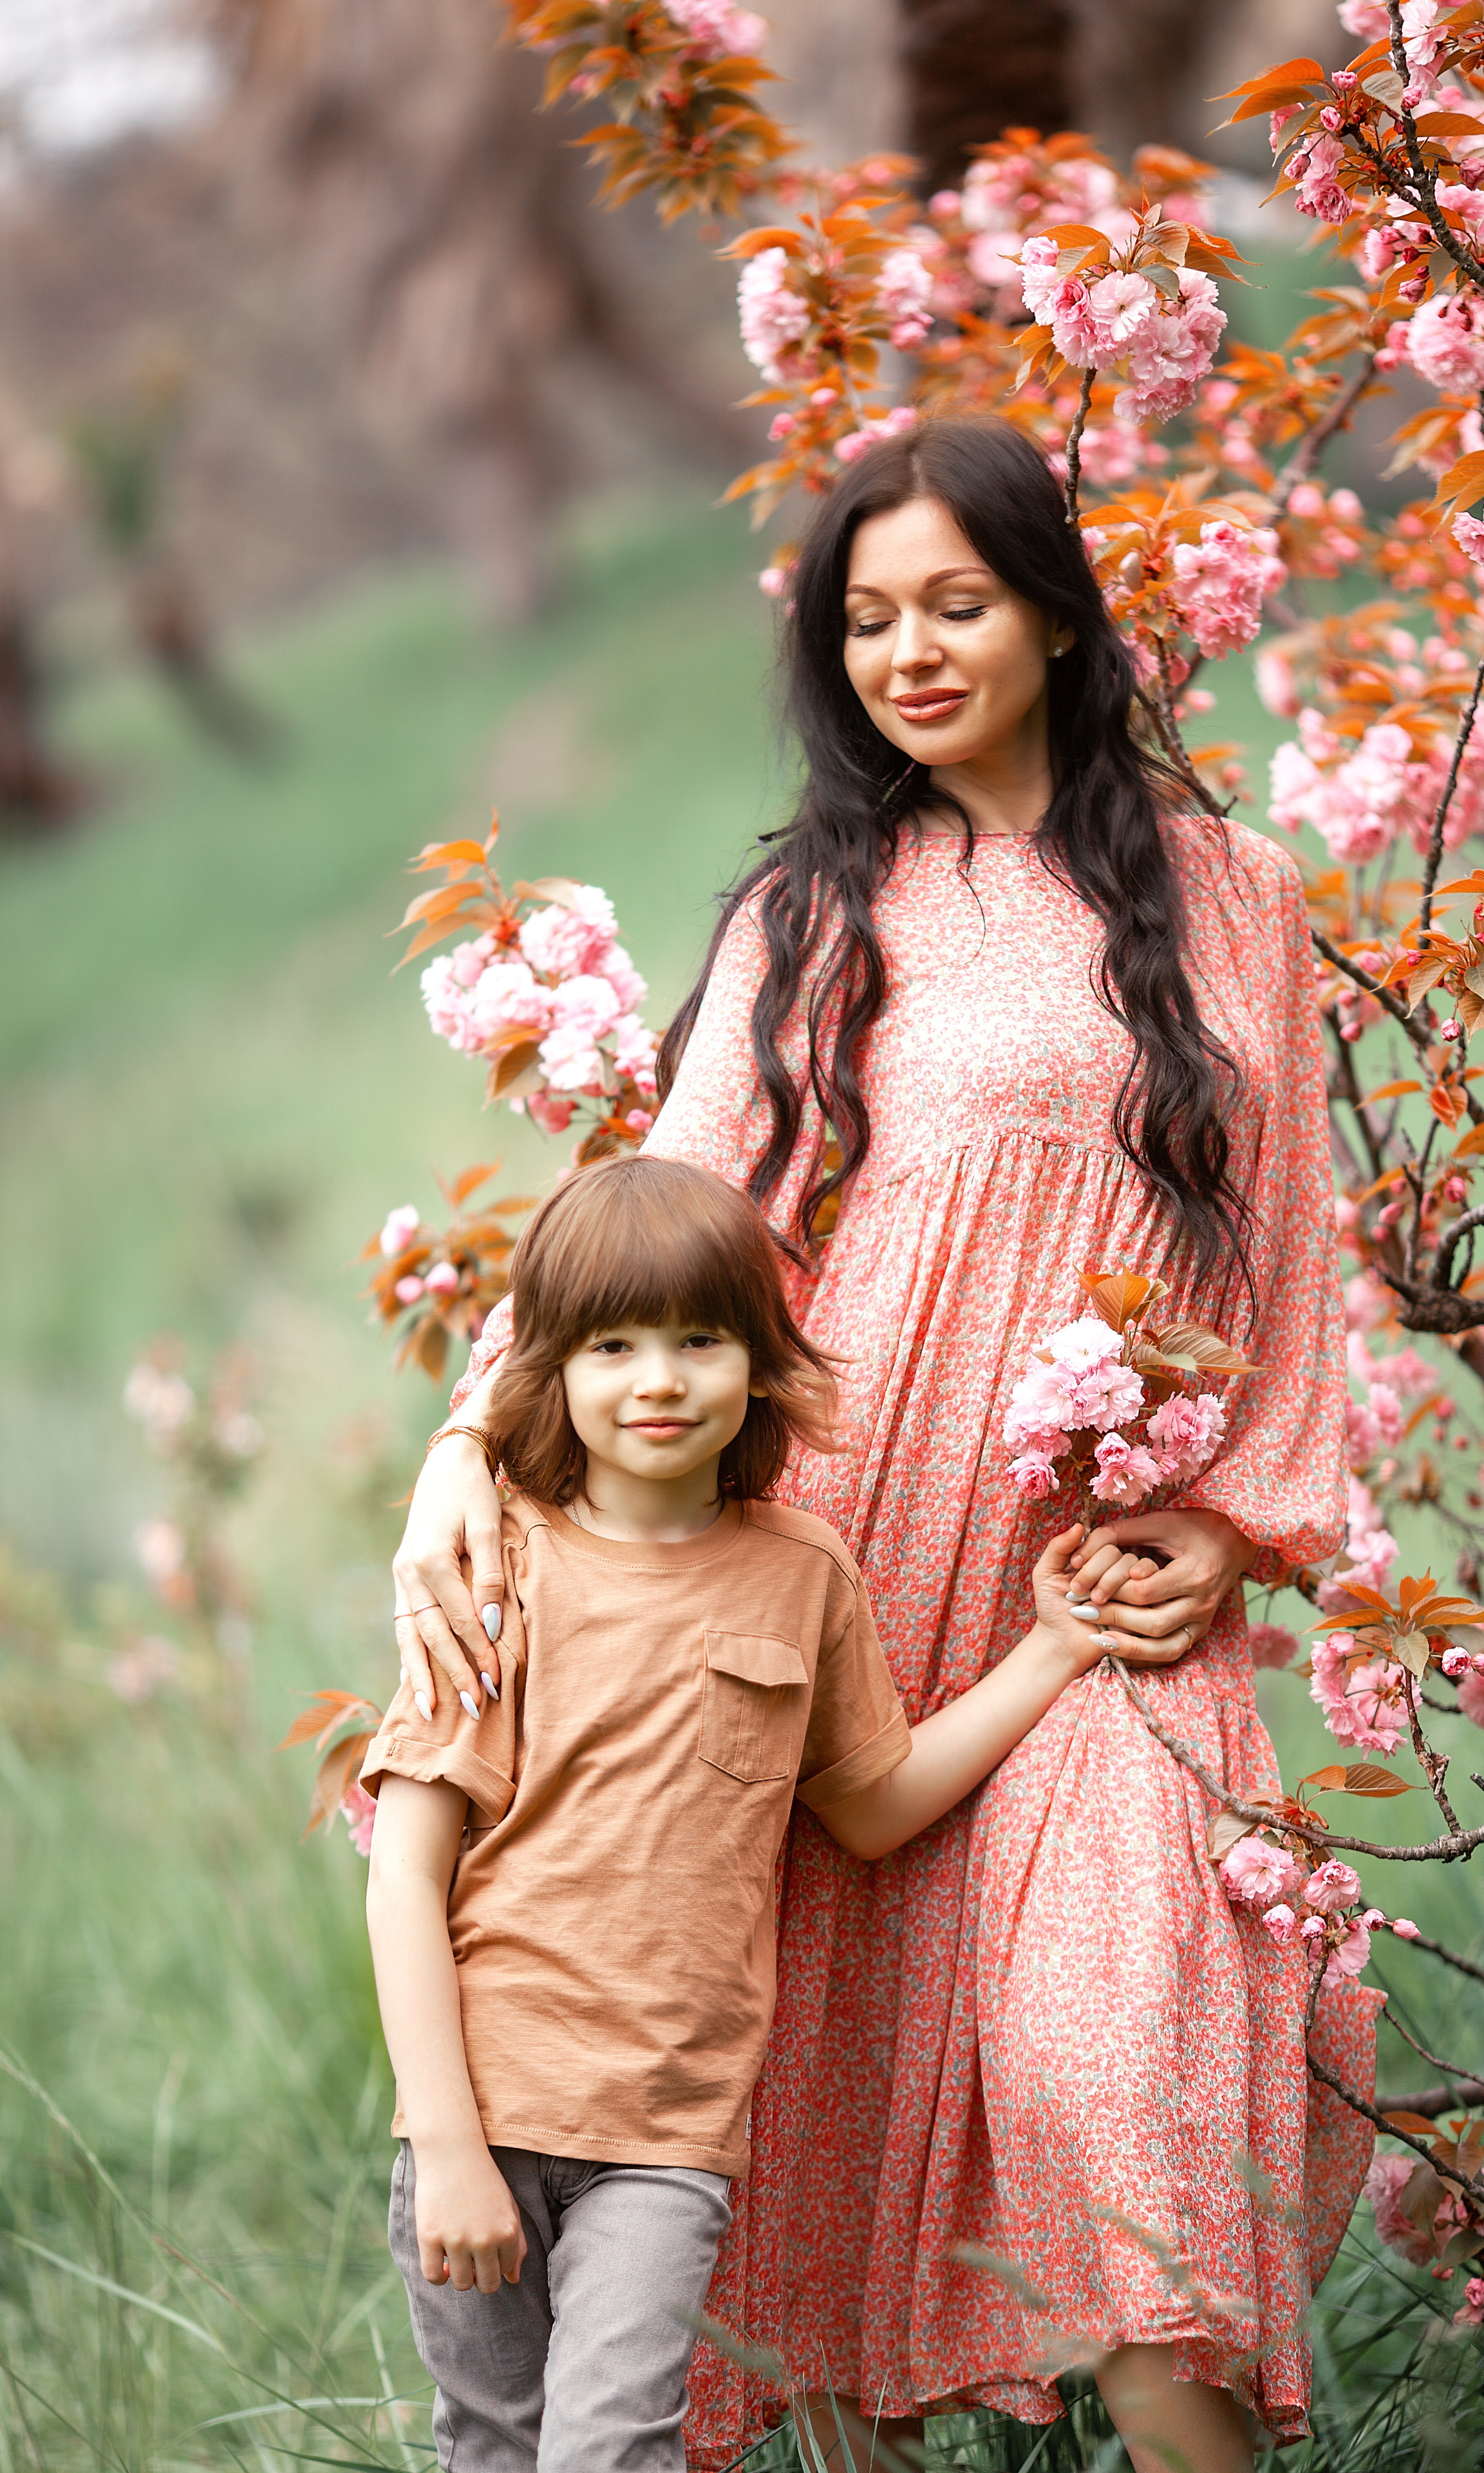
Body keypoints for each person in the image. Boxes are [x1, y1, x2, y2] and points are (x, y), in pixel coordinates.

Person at [386, 417, 1375, 2470]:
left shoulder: (1237, 897)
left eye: (956, 602)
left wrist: (1235, 1524)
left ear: (1056, 612)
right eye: (865, 620)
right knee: (812, 2127)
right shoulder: (820, 913)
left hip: (1087, 1590)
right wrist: (465, 1460)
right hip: (833, 1571)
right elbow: (667, 1212)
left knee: (1122, 2085)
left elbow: (1289, 1251)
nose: (908, 652)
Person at [360, 1151, 1128, 2473]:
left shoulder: (798, 1574)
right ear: (546, 1373)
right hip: (480, 2112)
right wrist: (443, 2147)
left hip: (666, 2141)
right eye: (612, 1345)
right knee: (490, 2446)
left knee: (610, 2450)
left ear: (760, 1363)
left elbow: (873, 1804)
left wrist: (1049, 1651)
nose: (657, 1378)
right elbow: (405, 1876)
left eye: (698, 1339)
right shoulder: (504, 1563)